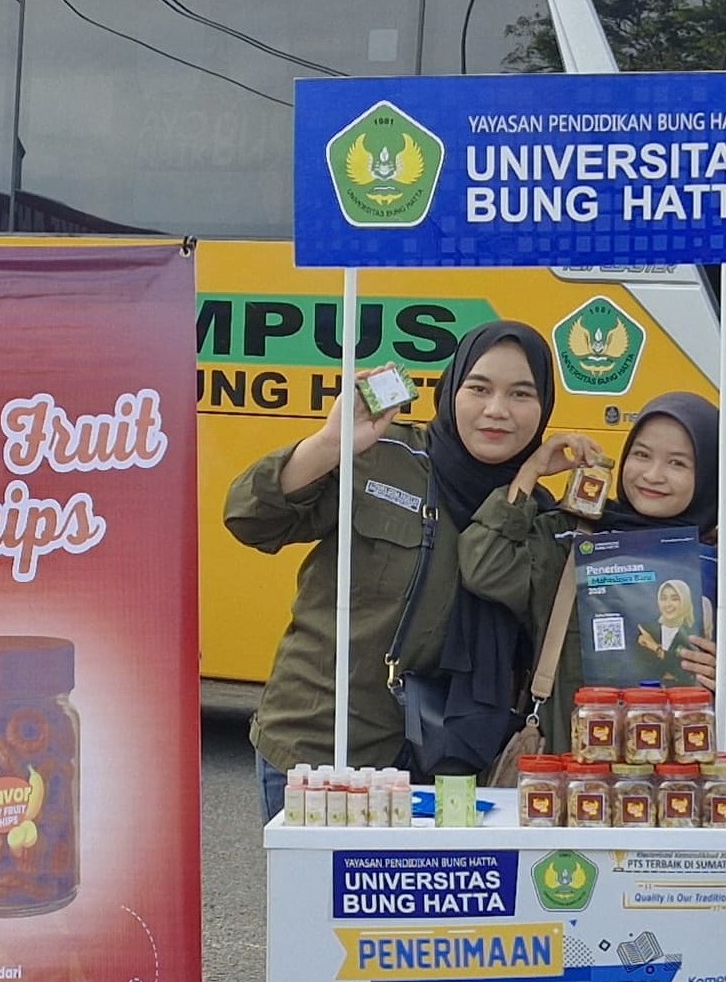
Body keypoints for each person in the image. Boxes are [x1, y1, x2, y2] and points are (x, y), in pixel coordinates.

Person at [226, 323, 558, 814]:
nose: (497, 411)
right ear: (450, 391)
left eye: (521, 394)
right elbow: (252, 519)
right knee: (315, 895)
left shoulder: (542, 512)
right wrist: (329, 442)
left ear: (544, 406)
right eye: (479, 388)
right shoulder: (383, 455)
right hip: (327, 747)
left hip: (457, 770)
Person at [458, 390, 723, 718]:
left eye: (677, 463)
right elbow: (484, 567)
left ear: (713, 475)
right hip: (569, 761)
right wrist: (533, 469)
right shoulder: (574, 537)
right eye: (641, 455)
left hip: (676, 760)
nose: (653, 475)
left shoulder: (721, 567)